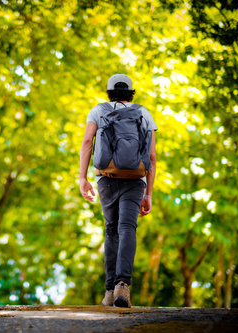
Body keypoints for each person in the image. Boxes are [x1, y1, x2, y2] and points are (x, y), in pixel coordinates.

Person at [79, 74, 157, 307]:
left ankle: (110, 291)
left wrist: (83, 178)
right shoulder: (143, 113)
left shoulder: (98, 110)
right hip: (136, 180)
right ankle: (123, 285)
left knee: (111, 229)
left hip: (106, 178)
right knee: (127, 227)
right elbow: (152, 157)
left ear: (109, 92)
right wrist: (149, 193)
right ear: (131, 92)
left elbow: (87, 142)